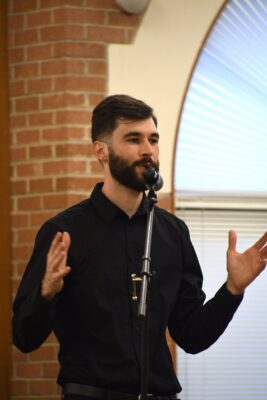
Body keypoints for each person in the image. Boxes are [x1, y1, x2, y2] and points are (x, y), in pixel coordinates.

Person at [12, 94, 267, 400]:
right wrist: (46, 293)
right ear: (101, 151)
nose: (148, 150)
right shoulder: (64, 233)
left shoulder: (173, 233)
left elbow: (192, 336)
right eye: (134, 139)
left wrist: (233, 290)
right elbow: (24, 339)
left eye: (153, 139)